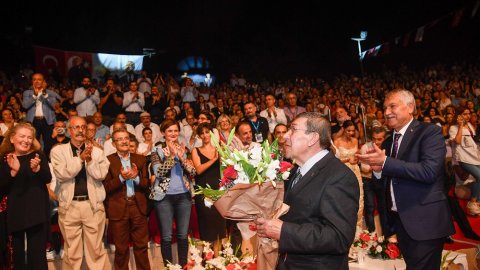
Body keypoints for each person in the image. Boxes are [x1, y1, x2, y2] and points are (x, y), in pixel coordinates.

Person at [357, 89, 455, 270]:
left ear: (410, 107)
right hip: (401, 224)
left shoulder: (429, 132)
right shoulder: (387, 142)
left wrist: (386, 162)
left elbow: (429, 172)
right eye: (385, 108)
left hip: (425, 223)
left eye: (392, 106)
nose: (386, 112)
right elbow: (384, 186)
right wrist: (378, 171)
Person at [255, 112, 359, 270]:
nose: (286, 136)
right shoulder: (296, 170)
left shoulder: (339, 176)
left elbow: (339, 237)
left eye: (293, 130)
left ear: (313, 138)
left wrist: (284, 231)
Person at [50, 116, 110, 269]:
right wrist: (79, 159)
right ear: (69, 130)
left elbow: (101, 175)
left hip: (93, 206)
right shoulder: (58, 150)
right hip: (70, 206)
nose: (80, 130)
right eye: (76, 127)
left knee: (96, 250)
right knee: (72, 252)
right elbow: (62, 174)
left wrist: (89, 161)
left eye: (83, 127)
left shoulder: (97, 152)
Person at [0, 123, 52, 269]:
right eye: (22, 136)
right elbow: (1, 188)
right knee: (17, 258)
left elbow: (47, 178)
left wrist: (37, 169)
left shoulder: (38, 155)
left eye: (29, 137)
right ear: (12, 138)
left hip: (37, 213)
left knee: (37, 257)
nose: (26, 140)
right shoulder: (6, 159)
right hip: (15, 214)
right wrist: (13, 172)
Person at [150, 119, 196, 266]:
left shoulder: (183, 148)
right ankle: (169, 267)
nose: (173, 133)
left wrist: (182, 158)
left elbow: (193, 171)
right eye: (169, 131)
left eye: (176, 130)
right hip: (164, 198)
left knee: (183, 235)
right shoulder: (157, 150)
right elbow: (158, 173)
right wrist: (170, 157)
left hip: (184, 195)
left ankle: (183, 266)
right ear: (163, 133)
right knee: (167, 236)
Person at [103, 128, 150, 270]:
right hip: (118, 209)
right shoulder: (107, 161)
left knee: (141, 247)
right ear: (113, 143)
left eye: (126, 138)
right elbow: (105, 187)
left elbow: (147, 184)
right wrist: (121, 178)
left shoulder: (140, 159)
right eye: (119, 139)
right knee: (121, 250)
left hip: (138, 207)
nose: (124, 141)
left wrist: (136, 178)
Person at [191, 123, 226, 255]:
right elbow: (198, 170)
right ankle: (207, 259)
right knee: (206, 225)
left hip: (218, 190)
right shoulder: (196, 150)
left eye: (207, 132)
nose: (205, 135)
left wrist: (221, 156)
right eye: (202, 133)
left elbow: (224, 167)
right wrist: (213, 159)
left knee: (219, 226)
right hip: (203, 190)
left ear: (211, 133)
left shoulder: (218, 148)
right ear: (199, 135)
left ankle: (218, 258)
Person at [333, 120, 364, 230]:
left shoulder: (355, 140)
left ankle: (358, 230)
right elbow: (333, 160)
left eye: (352, 131)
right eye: (348, 130)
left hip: (355, 171)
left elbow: (357, 155)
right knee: (345, 199)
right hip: (342, 171)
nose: (351, 133)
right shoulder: (337, 141)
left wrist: (357, 158)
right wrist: (347, 159)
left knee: (359, 199)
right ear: (343, 130)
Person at [449, 108, 480, 215]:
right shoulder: (453, 127)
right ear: (459, 115)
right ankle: (472, 203)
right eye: (464, 114)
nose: (467, 115)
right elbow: (457, 141)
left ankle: (476, 204)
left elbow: (473, 143)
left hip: (474, 158)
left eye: (468, 114)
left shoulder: (470, 126)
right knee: (479, 176)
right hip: (463, 158)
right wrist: (461, 126)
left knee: (478, 178)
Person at [23, 73, 60, 157]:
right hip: (33, 121)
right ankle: (33, 159)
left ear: (43, 81)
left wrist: (44, 94)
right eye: (34, 79)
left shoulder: (50, 93)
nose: (37, 81)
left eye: (39, 79)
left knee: (48, 142)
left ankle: (47, 160)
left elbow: (53, 104)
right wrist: (35, 95)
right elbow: (25, 105)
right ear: (32, 81)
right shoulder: (27, 93)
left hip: (47, 121)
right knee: (32, 142)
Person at [359, 127, 387, 233]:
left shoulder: (387, 146)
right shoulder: (365, 147)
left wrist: (374, 163)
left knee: (383, 206)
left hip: (383, 180)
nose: (376, 141)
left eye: (379, 139)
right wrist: (379, 164)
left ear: (384, 138)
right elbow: (364, 168)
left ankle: (385, 233)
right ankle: (371, 233)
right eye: (374, 139)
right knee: (370, 206)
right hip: (368, 180)